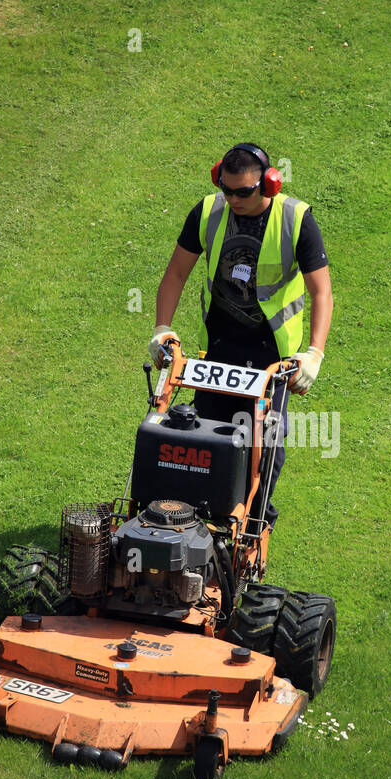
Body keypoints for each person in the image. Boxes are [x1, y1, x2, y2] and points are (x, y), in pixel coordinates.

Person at [149, 142, 332, 528]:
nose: (233, 199)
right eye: (227, 190)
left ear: (269, 185)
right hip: (217, 352)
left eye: (243, 192)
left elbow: (322, 292)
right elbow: (175, 274)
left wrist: (314, 353)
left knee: (263, 451)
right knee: (197, 442)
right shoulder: (208, 212)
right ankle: (189, 522)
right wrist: (162, 328)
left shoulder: (296, 220)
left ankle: (249, 531)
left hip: (272, 359)